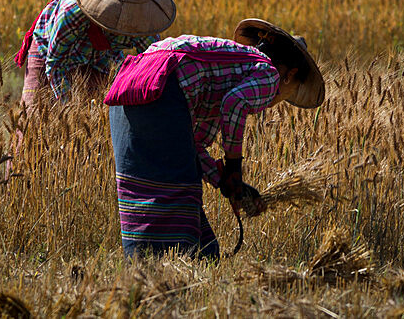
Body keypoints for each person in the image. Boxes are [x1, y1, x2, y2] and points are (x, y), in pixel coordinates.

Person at [104, 18, 325, 259]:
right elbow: (235, 103)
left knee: (144, 192)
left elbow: (193, 148)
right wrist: (234, 166)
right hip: (164, 87)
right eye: (290, 94)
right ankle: (169, 271)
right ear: (290, 75)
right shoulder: (269, 74)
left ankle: (144, 270)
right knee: (178, 192)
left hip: (129, 85)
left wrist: (227, 183)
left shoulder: (227, 70)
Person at [14, 0, 176, 105]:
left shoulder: (143, 21)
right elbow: (56, 64)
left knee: (102, 111)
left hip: (102, 58)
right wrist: (69, 105)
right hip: (50, 50)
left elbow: (152, 62)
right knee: (34, 115)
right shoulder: (72, 14)